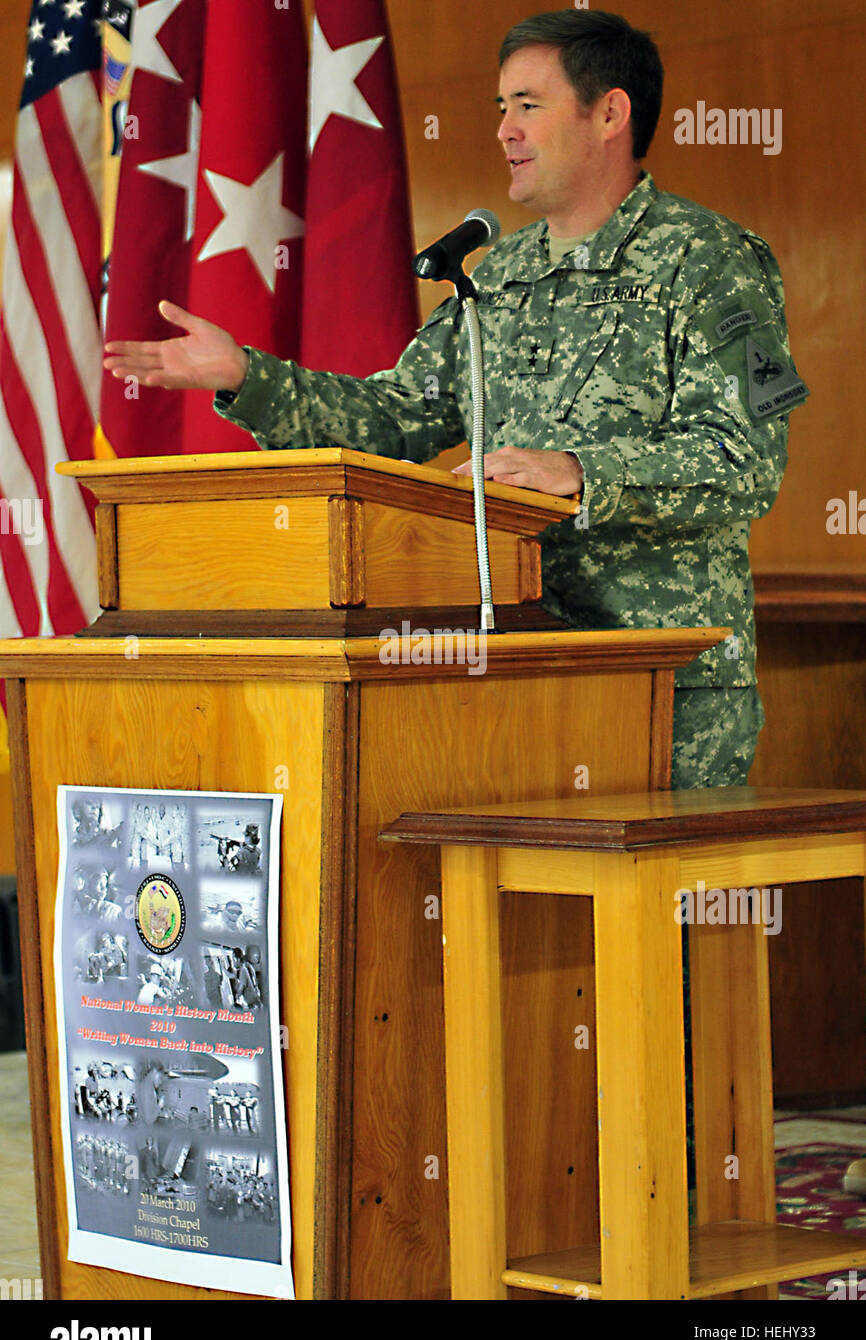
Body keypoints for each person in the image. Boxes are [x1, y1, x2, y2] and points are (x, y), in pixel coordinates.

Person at [104, 8, 807, 789]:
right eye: (500, 107)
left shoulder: (713, 261)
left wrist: (574, 471)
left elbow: (743, 461)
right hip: (513, 662)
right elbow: (395, 417)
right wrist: (247, 376)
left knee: (646, 910)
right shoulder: (494, 277)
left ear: (610, 112)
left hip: (666, 683)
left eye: (528, 106)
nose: (505, 129)